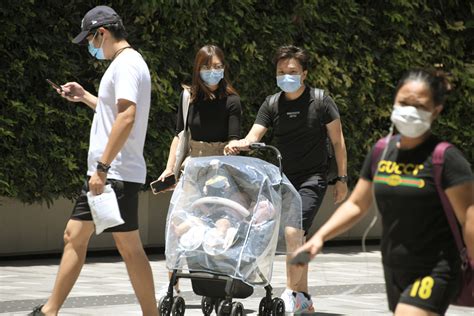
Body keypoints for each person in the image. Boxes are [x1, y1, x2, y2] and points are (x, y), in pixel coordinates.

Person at [293, 69, 474, 315]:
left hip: (435, 268)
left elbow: (469, 219)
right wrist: (319, 238)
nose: (410, 110)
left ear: (436, 110)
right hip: (394, 267)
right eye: (403, 103)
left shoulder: (446, 158)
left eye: (419, 106)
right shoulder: (382, 151)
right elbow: (358, 203)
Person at [29, 6, 158, 316]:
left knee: (127, 248)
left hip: (114, 174)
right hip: (115, 173)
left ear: (102, 33)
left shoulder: (126, 64)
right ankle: (50, 310)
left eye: (89, 38)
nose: (90, 46)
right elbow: (115, 111)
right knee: (77, 237)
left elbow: (127, 116)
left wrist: (102, 167)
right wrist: (84, 95)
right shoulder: (125, 64)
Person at [224, 45, 348, 313]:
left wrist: (342, 178)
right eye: (281, 71)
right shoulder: (272, 103)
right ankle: (303, 297)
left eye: (292, 71)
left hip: (312, 178)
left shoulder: (321, 101)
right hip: (281, 178)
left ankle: (291, 293)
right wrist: (239, 144)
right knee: (296, 237)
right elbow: (254, 136)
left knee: (293, 232)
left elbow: (338, 143)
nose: (286, 76)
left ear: (304, 73)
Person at [156, 44, 242, 295]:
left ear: (224, 68)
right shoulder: (188, 97)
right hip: (192, 167)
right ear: (198, 69)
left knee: (217, 223)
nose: (212, 72)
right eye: (206, 67)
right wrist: (169, 169)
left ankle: (217, 280)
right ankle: (173, 283)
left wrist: (233, 150)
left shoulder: (232, 101)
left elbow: (233, 139)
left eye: (217, 67)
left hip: (220, 169)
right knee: (177, 222)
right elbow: (179, 134)